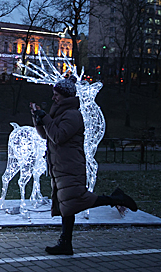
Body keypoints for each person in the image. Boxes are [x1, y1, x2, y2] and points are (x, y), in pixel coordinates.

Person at [31, 75, 138, 256]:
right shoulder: (59, 114)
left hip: (70, 166)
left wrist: (46, 119)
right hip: (60, 166)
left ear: (65, 96)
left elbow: (58, 136)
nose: (53, 98)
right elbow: (45, 135)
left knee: (78, 200)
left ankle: (117, 199)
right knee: (67, 204)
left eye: (56, 94)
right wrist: (37, 117)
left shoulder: (73, 115)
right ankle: (65, 244)